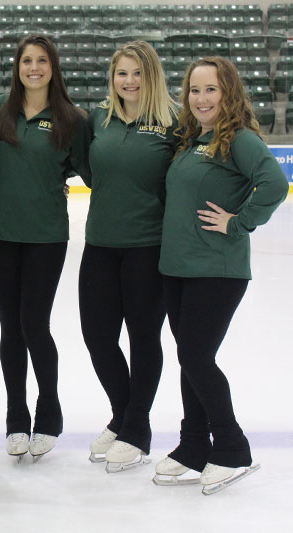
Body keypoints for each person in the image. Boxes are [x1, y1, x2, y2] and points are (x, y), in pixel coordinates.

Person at [153, 57, 288, 494]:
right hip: (178, 268)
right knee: (189, 359)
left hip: (217, 268)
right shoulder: (194, 139)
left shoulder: (239, 139)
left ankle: (231, 448)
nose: (201, 98)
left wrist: (239, 221)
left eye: (211, 89)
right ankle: (193, 445)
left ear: (228, 92)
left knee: (195, 358)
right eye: (194, 90)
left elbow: (275, 183)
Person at [0, 34, 87, 462]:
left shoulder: (71, 120)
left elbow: (90, 168)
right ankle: (15, 414)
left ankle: (50, 410)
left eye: (42, 60)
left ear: (53, 67)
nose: (34, 68)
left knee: (34, 324)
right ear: (17, 67)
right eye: (27, 60)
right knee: (10, 326)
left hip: (45, 237)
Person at [78, 41, 179, 472]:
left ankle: (136, 429)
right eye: (122, 73)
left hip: (147, 248)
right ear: (112, 77)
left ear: (151, 75)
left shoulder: (172, 122)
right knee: (97, 337)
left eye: (138, 73)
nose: (130, 81)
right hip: (99, 244)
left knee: (142, 338)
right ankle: (125, 416)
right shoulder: (98, 118)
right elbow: (87, 169)